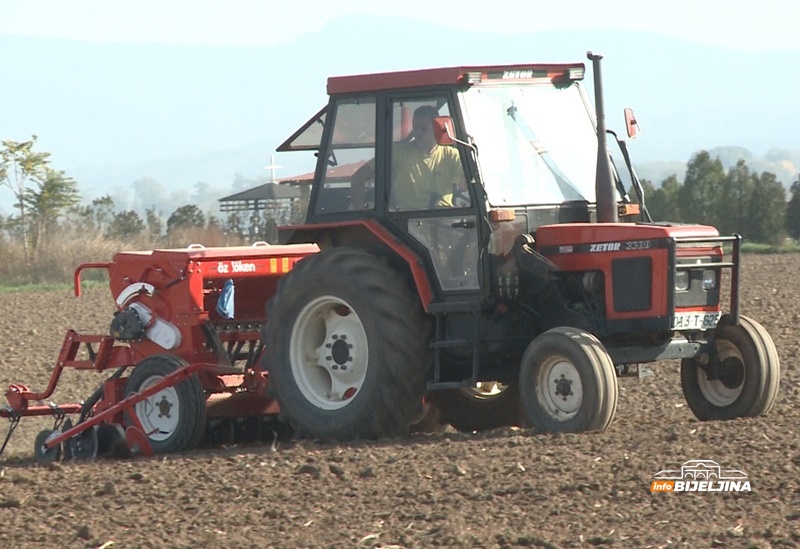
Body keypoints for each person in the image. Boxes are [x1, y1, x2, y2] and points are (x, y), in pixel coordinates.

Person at [350, 105, 467, 210]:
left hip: (442, 221)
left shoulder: (451, 155)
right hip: (409, 223)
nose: (417, 133)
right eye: (415, 128)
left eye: (423, 129)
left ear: (437, 129)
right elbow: (358, 178)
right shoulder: (397, 154)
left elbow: (467, 181)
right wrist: (361, 211)